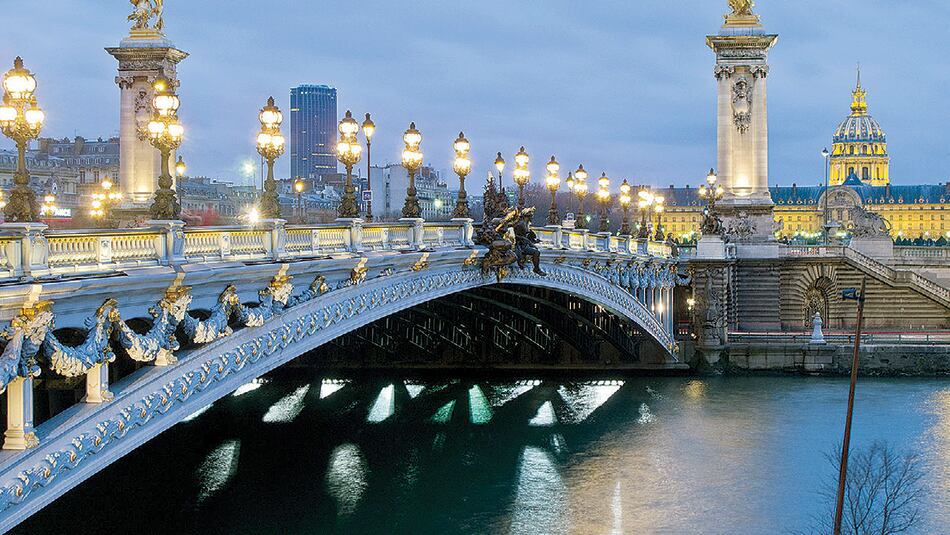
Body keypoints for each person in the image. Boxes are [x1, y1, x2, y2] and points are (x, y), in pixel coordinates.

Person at [513, 207, 546, 276]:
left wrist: (533, 240)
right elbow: (515, 235)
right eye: (531, 216)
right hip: (520, 246)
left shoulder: (526, 223)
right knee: (536, 252)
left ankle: (536, 268)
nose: (532, 218)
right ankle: (536, 269)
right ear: (528, 216)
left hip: (524, 244)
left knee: (536, 251)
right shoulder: (521, 224)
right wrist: (528, 241)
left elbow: (526, 235)